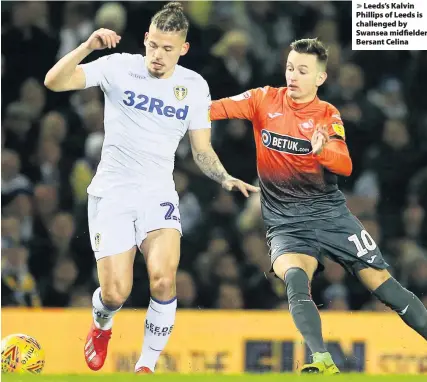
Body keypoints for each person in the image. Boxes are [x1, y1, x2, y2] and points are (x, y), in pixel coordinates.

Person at [44, 2, 258, 374]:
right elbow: (54, 81)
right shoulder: (118, 67)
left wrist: (223, 177)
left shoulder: (193, 86)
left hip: (158, 195)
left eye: (168, 49)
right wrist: (88, 46)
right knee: (115, 293)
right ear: (145, 40)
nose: (158, 56)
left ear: (184, 49)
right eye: (154, 46)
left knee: (163, 279)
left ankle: (146, 366)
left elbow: (201, 149)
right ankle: (102, 323)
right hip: (112, 192)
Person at [209, 38, 427, 374]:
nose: (293, 75)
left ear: (320, 79)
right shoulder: (262, 99)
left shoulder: (327, 115)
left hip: (332, 217)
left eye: (303, 70)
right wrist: (171, 102)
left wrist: (322, 151)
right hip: (286, 224)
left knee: (387, 290)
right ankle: (321, 358)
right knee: (295, 280)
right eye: (290, 67)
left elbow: (345, 164)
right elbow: (213, 108)